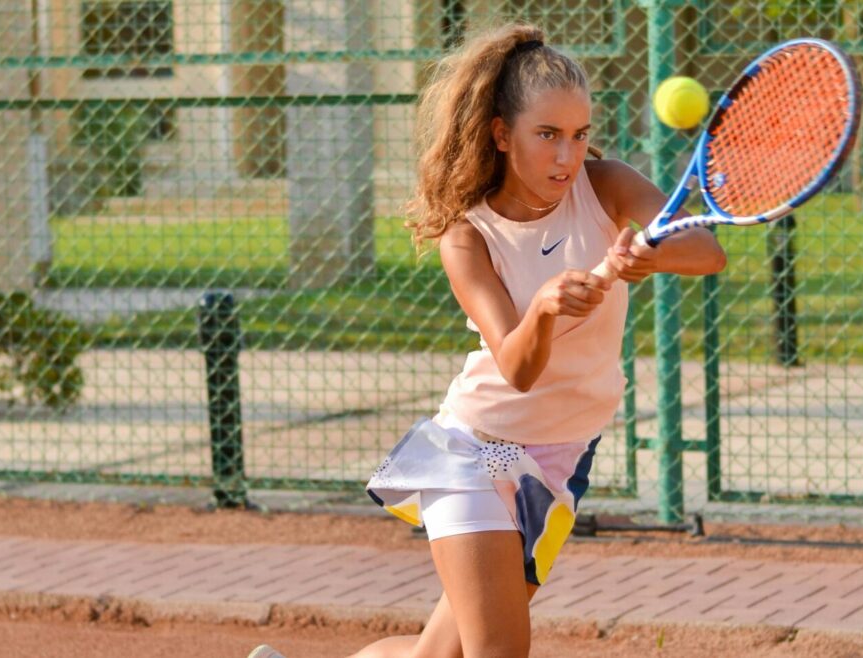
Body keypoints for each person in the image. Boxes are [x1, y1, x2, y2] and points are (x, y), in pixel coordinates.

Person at [248, 22, 725, 658]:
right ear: (502, 135)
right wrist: (548, 309)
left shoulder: (606, 185)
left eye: (578, 136)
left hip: (560, 457)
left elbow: (706, 249)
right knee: (497, 652)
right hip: (475, 449)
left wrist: (652, 259)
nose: (567, 156)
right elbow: (518, 366)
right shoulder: (466, 236)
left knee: (435, 655)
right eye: (548, 135)